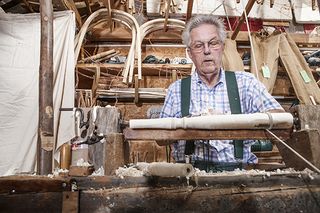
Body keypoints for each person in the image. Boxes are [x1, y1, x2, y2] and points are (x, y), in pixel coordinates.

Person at [159, 14, 285, 172]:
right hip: (189, 175)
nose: (207, 51)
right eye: (198, 45)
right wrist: (189, 124)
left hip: (238, 175)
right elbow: (160, 138)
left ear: (222, 47)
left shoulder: (246, 83)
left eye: (213, 43)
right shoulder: (176, 90)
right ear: (190, 53)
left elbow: (280, 119)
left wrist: (242, 121)